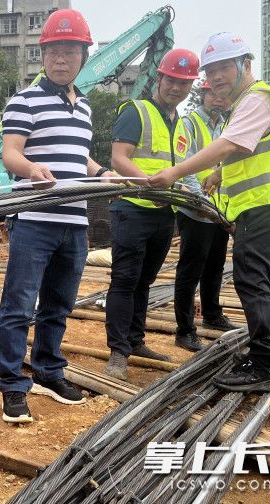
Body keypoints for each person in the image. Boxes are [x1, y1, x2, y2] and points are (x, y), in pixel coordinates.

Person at [149, 32, 270, 392]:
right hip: (261, 205)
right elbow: (246, 150)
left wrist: (174, 173)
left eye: (225, 66)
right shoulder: (243, 106)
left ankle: (264, 363)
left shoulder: (259, 98)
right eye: (211, 71)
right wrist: (219, 174)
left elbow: (228, 144)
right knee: (252, 275)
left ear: (246, 65)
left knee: (250, 275)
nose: (217, 77)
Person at [0, 9, 117, 424]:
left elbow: (77, 155)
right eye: (53, 52)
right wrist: (30, 170)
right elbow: (11, 152)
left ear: (84, 56)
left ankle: (48, 370)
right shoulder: (23, 100)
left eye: (69, 52)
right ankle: (13, 385)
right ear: (42, 55)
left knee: (58, 305)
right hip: (33, 221)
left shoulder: (83, 107)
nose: (60, 60)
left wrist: (102, 172)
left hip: (75, 224)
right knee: (18, 305)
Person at [103, 48, 199, 381]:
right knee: (125, 279)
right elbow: (119, 158)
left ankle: (135, 340)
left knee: (144, 280)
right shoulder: (137, 111)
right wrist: (151, 186)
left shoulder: (181, 124)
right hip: (132, 208)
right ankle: (118, 352)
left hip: (163, 213)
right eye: (172, 80)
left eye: (184, 83)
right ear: (159, 77)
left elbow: (177, 170)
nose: (176, 88)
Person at [172, 80, 237, 353]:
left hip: (218, 211)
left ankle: (212, 313)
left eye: (223, 94)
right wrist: (199, 199)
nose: (219, 98)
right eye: (213, 93)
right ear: (203, 95)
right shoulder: (188, 124)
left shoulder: (226, 127)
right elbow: (184, 162)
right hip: (195, 209)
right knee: (190, 269)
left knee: (215, 266)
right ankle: (185, 330)